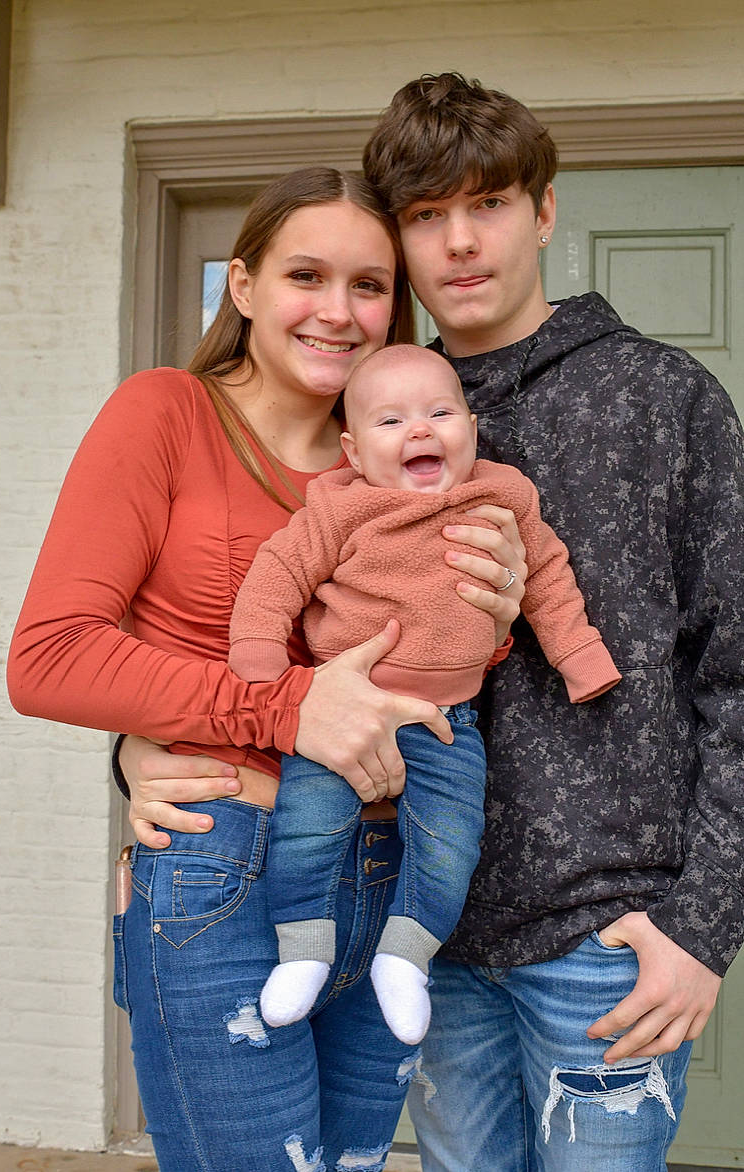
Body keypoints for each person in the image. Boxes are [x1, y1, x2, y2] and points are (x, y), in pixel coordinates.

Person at [6, 166, 527, 1172]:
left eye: (369, 286)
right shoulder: (166, 412)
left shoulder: (406, 451)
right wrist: (280, 711)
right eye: (305, 276)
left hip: (394, 876)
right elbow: (50, 655)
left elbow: (432, 657)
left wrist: (496, 623)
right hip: (226, 870)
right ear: (242, 286)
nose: (338, 311)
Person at [358, 73, 744, 1171]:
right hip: (424, 935)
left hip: (606, 943)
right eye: (426, 214)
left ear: (543, 211)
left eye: (486, 203)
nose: (459, 240)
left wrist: (701, 927)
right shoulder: (369, 419)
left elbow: (736, 671)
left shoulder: (660, 399)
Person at [228, 342, 620, 1046]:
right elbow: (278, 570)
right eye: (390, 421)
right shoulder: (340, 507)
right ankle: (303, 952)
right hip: (341, 712)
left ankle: (403, 959)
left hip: (449, 722)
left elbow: (547, 577)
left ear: (471, 427)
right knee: (309, 829)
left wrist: (579, 656)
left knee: (449, 844)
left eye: (440, 413)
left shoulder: (502, 496)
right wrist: (258, 649)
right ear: (352, 450)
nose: (418, 430)